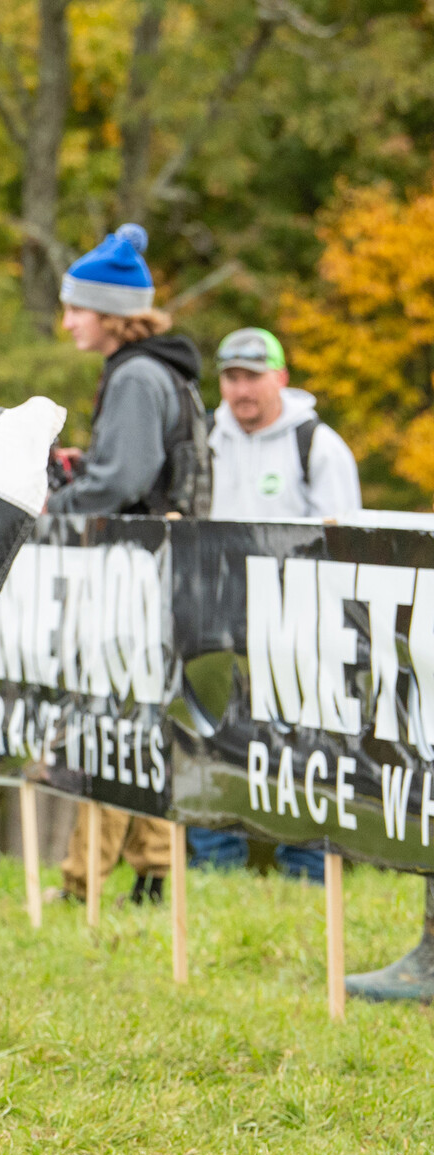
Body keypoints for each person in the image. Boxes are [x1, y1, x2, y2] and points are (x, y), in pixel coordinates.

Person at [47, 224, 203, 907]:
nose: (68, 320)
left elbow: (120, 482)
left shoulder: (138, 375)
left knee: (111, 720)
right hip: (162, 566)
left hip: (140, 570)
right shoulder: (154, 368)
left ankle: (86, 883)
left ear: (111, 312)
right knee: (142, 718)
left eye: (76, 307)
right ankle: (155, 873)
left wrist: (54, 501)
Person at [190, 325, 364, 882]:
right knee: (210, 742)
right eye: (231, 377)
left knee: (302, 750)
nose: (240, 391)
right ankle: (214, 869)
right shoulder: (205, 439)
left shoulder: (315, 444)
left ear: (280, 379)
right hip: (216, 625)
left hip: (297, 630)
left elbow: (348, 544)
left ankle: (308, 871)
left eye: (252, 377)